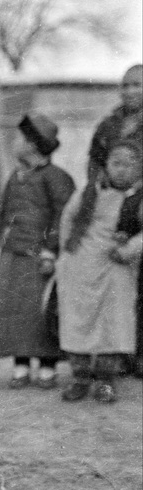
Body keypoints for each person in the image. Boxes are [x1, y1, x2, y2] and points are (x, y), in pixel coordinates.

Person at [0, 113, 75, 388]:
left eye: (21, 138)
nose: (16, 143)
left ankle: (47, 365)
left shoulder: (56, 178)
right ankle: (20, 364)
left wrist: (51, 251)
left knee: (41, 311)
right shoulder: (15, 177)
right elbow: (4, 214)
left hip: (40, 257)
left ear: (33, 145)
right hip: (13, 253)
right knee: (15, 311)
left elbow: (62, 217)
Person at [69, 64, 143, 376]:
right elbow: (95, 164)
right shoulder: (108, 125)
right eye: (125, 85)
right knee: (117, 284)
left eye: (137, 85)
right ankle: (117, 353)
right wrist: (101, 193)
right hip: (113, 206)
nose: (129, 91)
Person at [57, 141, 142, 402]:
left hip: (117, 268)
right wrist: (66, 256)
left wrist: (127, 250)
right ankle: (81, 377)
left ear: (139, 167)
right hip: (81, 265)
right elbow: (67, 222)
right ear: (105, 165)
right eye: (116, 162)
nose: (121, 169)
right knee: (78, 319)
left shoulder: (138, 199)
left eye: (128, 163)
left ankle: (105, 379)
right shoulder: (86, 194)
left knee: (112, 323)